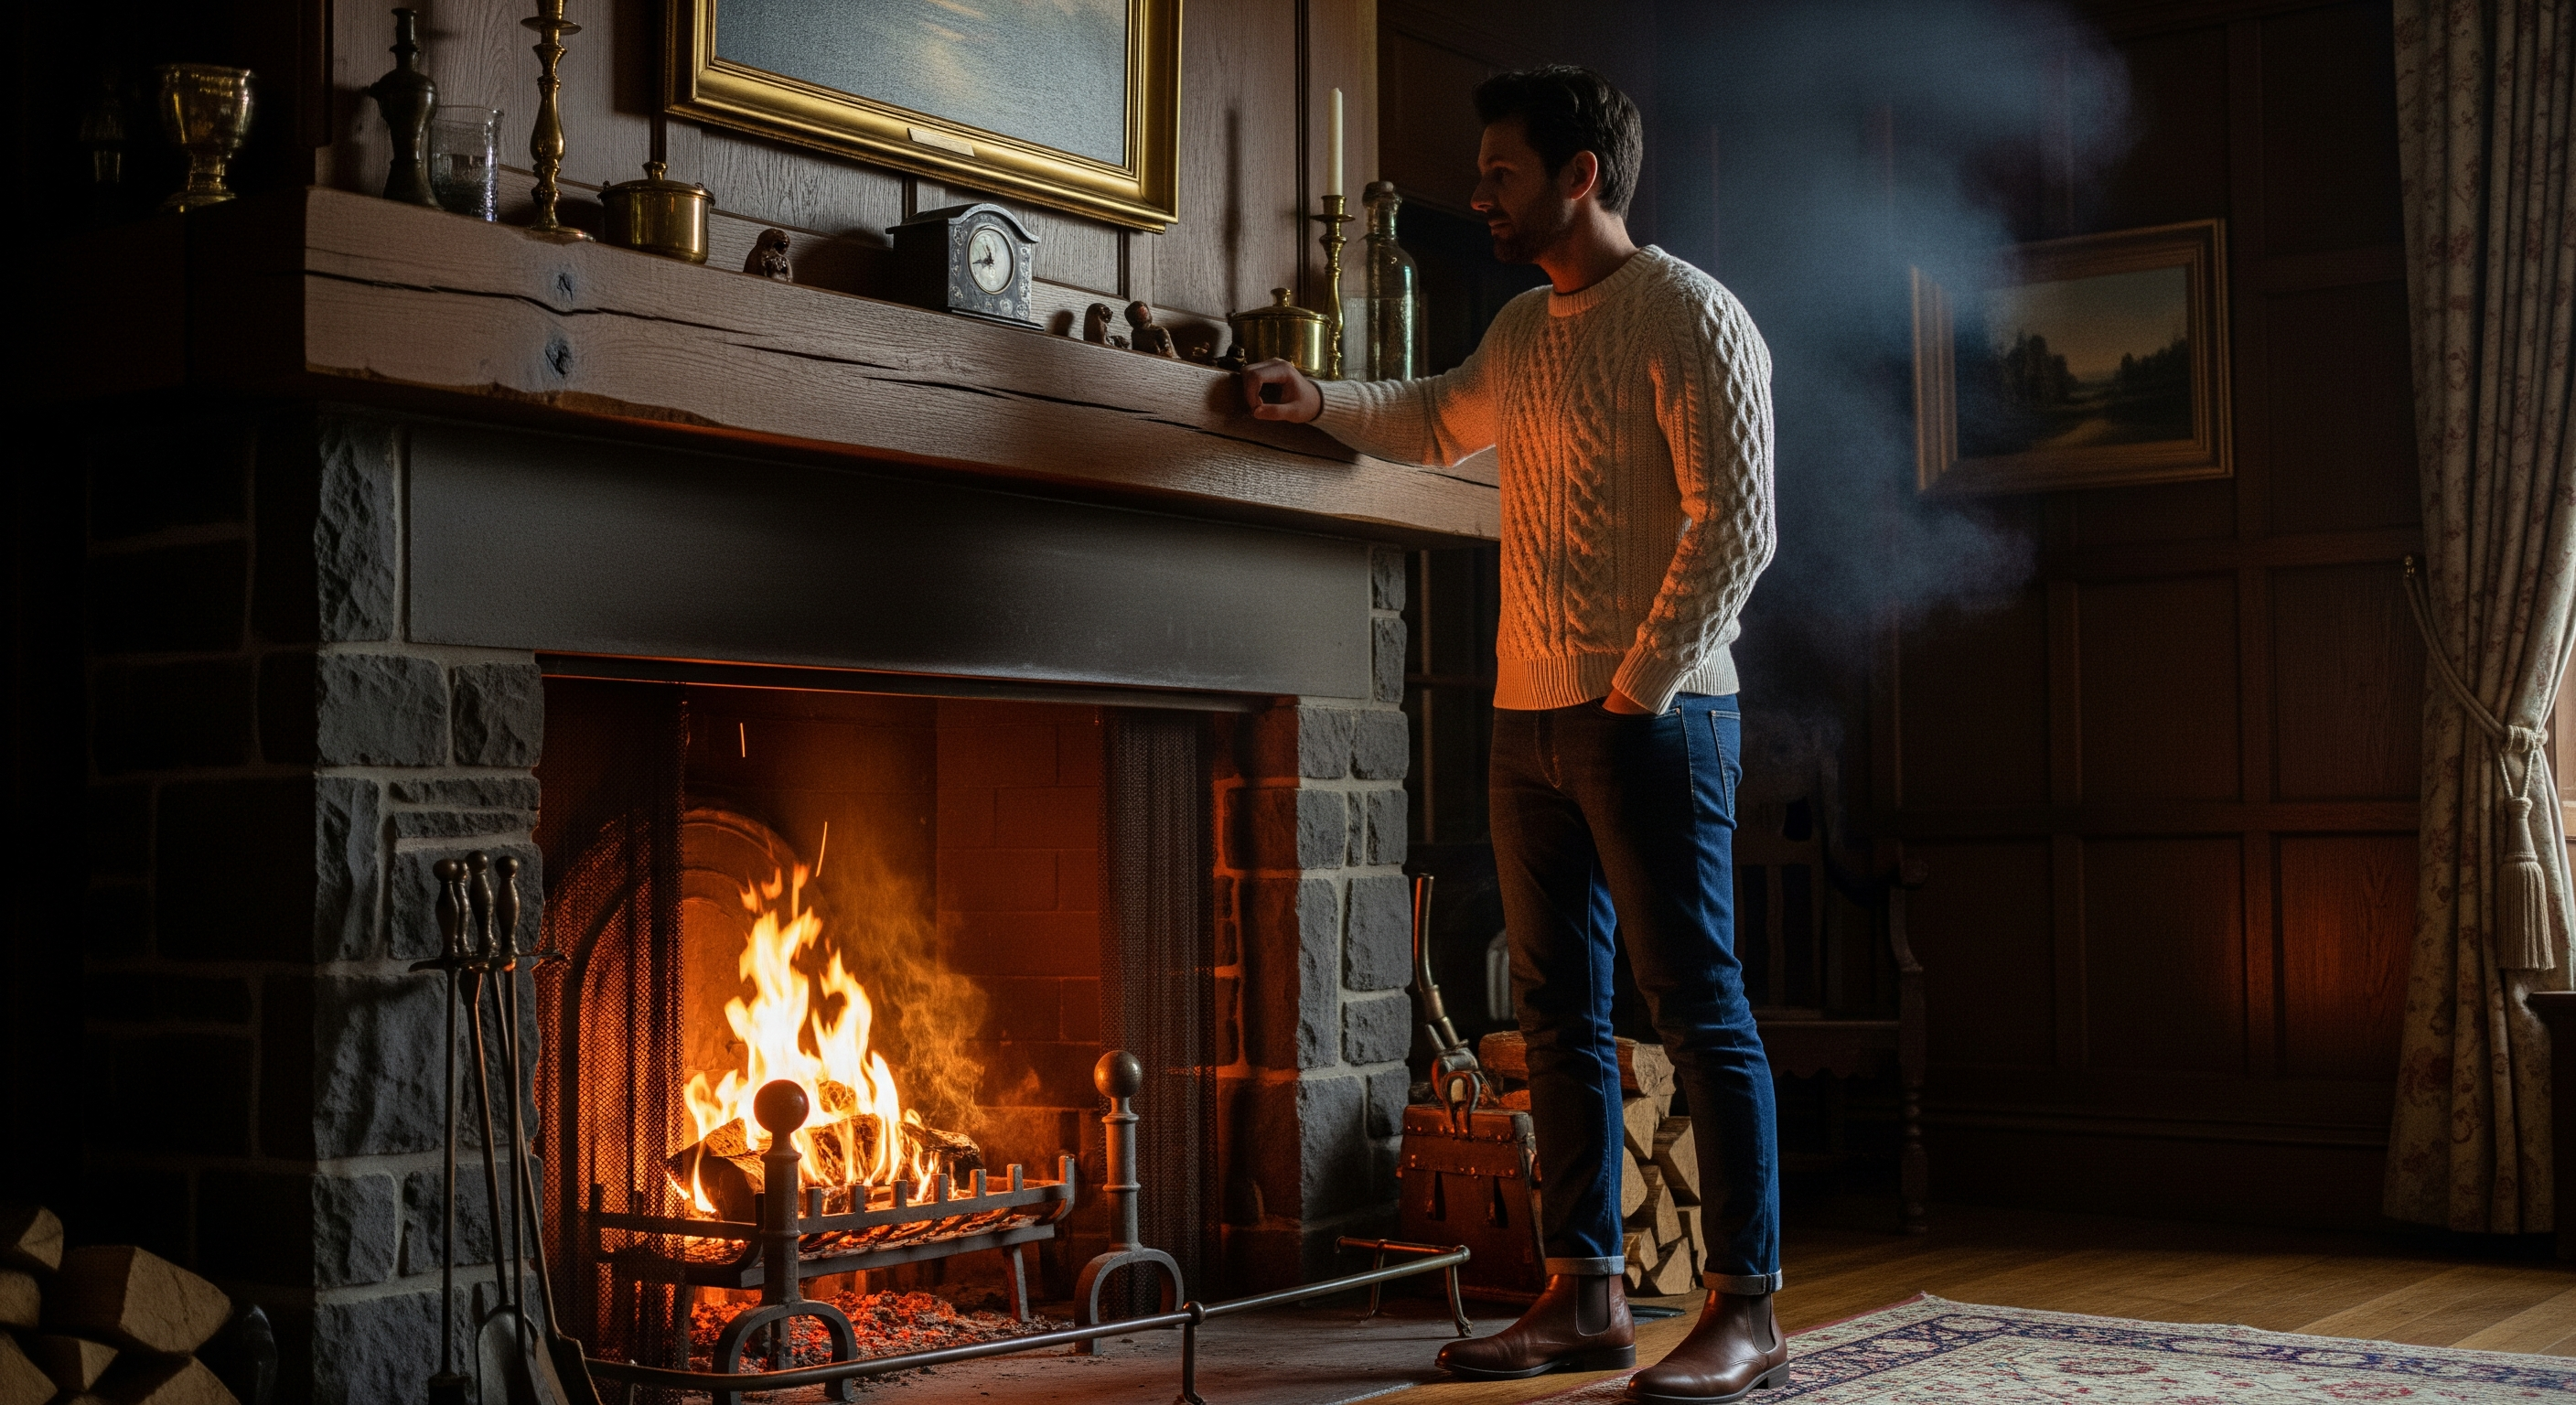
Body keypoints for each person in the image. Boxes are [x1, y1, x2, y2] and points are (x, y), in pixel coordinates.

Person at [1240, 66, 1783, 1404]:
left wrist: (1640, 684)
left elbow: (1740, 524)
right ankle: (1585, 1292)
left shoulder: (1692, 315)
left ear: (1579, 174)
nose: (1476, 194)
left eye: (1499, 173)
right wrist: (1315, 405)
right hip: (1527, 721)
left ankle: (1747, 1311)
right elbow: (1433, 420)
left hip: (1651, 720)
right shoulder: (1528, 328)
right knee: (1552, 1015)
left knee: (1697, 1008)